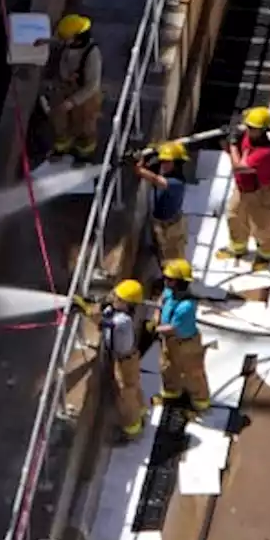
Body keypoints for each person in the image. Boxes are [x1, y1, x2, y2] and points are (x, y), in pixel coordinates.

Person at [73, 279, 150, 441]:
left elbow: (101, 321)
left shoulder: (123, 321)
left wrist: (86, 310)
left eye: (119, 299)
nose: (114, 299)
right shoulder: (118, 310)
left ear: (128, 305)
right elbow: (105, 304)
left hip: (125, 362)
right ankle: (141, 411)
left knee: (125, 395)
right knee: (133, 387)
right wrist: (92, 301)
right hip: (127, 358)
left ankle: (132, 429)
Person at [216, 107, 270, 271]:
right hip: (244, 187)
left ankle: (266, 255)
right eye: (249, 127)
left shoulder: (266, 152)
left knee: (262, 225)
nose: (249, 130)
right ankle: (238, 248)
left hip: (263, 192)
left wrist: (232, 145)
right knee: (234, 215)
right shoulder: (246, 136)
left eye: (253, 129)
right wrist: (226, 141)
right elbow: (234, 155)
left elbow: (238, 167)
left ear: (264, 130)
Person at [152, 258, 210, 417]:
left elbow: (172, 327)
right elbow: (161, 300)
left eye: (169, 279)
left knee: (192, 373)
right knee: (168, 367)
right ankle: (171, 394)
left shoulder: (186, 306)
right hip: (170, 341)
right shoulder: (170, 291)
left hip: (186, 344)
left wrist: (154, 329)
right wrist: (156, 314)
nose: (165, 281)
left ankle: (200, 402)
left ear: (179, 282)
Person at [46, 14, 103, 165]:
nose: (64, 40)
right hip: (66, 87)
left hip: (85, 95)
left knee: (85, 125)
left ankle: (84, 153)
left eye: (66, 38)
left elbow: (92, 85)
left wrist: (72, 102)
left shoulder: (92, 54)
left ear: (77, 37)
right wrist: (45, 41)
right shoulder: (70, 43)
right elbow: (60, 40)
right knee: (59, 120)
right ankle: (61, 147)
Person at [135, 141, 189, 263]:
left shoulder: (177, 183)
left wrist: (139, 166)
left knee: (174, 258)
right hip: (161, 224)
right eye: (162, 161)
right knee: (162, 251)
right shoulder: (165, 173)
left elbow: (154, 179)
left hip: (172, 228)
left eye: (167, 162)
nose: (163, 165)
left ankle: (173, 277)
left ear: (177, 164)